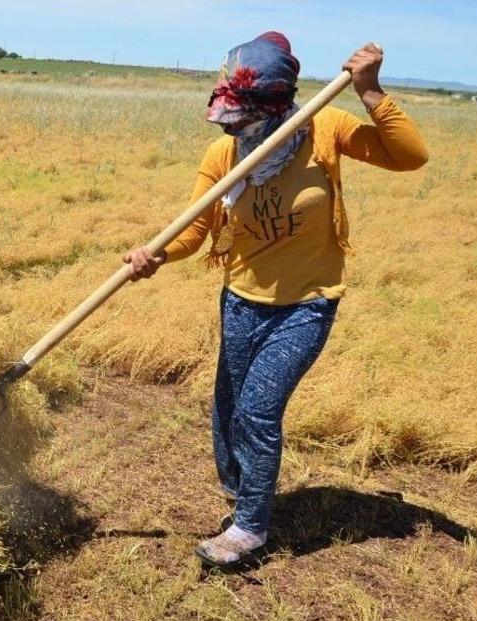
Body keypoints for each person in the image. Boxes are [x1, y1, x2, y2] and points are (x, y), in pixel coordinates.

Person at [123, 33, 427, 567]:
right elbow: (194, 231)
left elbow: (410, 157)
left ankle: (249, 530)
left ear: (277, 106)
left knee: (259, 411)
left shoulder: (324, 130)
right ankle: (244, 494)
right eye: (227, 119)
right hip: (240, 301)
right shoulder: (223, 155)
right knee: (228, 412)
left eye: (241, 119)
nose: (231, 128)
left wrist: (372, 93)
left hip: (307, 305)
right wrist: (155, 256)